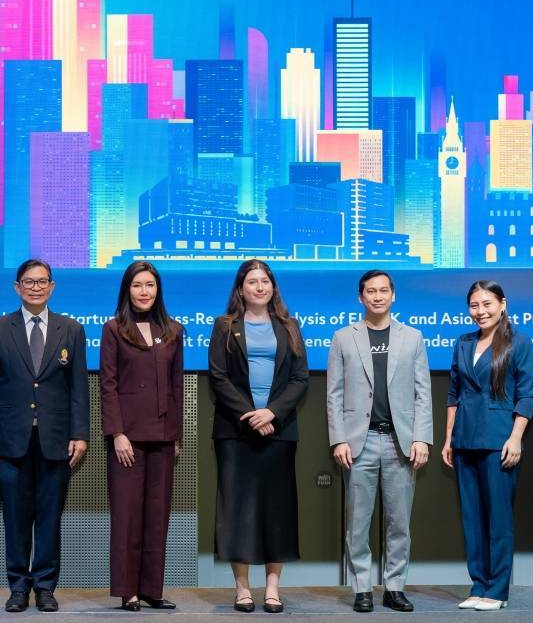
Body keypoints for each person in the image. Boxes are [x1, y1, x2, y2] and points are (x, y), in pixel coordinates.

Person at [0, 259, 90, 613]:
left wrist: (80, 434)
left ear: (52, 287)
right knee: (15, 518)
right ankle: (18, 586)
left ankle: (45, 587)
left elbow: (78, 388)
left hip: (56, 440)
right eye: (29, 282)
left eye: (42, 282)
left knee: (50, 518)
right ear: (17, 287)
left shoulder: (71, 329)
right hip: (10, 441)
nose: (36, 287)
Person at [326, 270, 432, 613]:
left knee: (399, 522)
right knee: (358, 523)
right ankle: (362, 589)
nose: (377, 296)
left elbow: (423, 393)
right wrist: (338, 439)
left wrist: (422, 438)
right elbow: (334, 394)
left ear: (393, 295)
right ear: (361, 297)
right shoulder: (343, 337)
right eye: (370, 291)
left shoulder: (413, 337)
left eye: (383, 290)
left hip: (401, 443)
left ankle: (395, 587)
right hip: (360, 442)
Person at [208, 260, 310, 614]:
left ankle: (272, 589)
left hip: (278, 432)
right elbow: (218, 377)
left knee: (276, 511)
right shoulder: (224, 326)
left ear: (272, 287)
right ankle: (242, 589)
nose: (259, 287)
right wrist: (252, 415)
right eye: (252, 281)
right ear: (241, 288)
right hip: (236, 432)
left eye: (265, 281)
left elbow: (300, 378)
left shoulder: (289, 326)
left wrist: (272, 413)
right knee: (237, 510)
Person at [442, 280, 533, 612]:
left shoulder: (519, 342)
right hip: (464, 439)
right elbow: (454, 393)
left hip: (499, 439)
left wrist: (516, 437)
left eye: (487, 304)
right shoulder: (463, 342)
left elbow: (527, 394)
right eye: (474, 305)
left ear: (502, 304)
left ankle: (497, 590)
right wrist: (448, 438)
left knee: (499, 520)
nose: (480, 311)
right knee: (472, 519)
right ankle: (479, 585)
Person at [100, 260, 184, 612]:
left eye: (150, 285)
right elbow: (108, 385)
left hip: (163, 436)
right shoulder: (114, 329)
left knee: (157, 515)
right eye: (137, 285)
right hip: (128, 438)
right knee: (128, 516)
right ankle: (128, 591)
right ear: (127, 290)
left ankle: (152, 589)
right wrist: (117, 433)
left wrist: (176, 435)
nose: (144, 291)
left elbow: (177, 386)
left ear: (157, 289)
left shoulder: (174, 330)